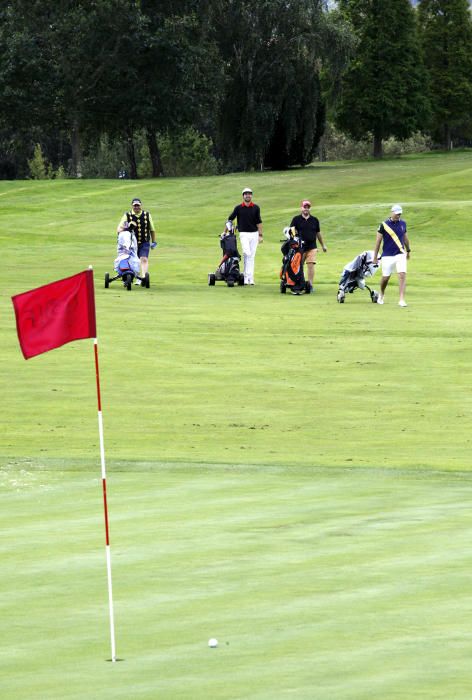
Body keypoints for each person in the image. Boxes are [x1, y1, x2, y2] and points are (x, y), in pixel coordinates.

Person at [373, 204, 411, 307]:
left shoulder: (403, 224)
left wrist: (408, 250)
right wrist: (375, 257)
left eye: (400, 214)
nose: (398, 215)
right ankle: (381, 294)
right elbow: (378, 242)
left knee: (402, 275)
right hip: (387, 255)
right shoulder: (383, 225)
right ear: (392, 212)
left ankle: (402, 300)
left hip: (400, 254)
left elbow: (405, 238)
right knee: (385, 278)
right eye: (397, 213)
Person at [227, 187, 263, 285]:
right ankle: (246, 276)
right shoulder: (238, 208)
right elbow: (230, 219)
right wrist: (226, 231)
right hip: (243, 234)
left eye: (249, 193)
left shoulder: (256, 208)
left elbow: (259, 222)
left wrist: (260, 235)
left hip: (254, 234)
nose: (248, 195)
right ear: (243, 196)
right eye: (246, 194)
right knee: (247, 253)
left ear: (251, 195)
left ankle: (250, 278)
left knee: (251, 256)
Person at [289, 200, 327, 293]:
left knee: (310, 265)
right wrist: (294, 240)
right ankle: (298, 283)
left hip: (312, 247)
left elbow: (318, 233)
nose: (306, 209)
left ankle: (310, 285)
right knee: (298, 266)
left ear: (310, 209)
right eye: (304, 207)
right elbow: (292, 231)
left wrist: (323, 245)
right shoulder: (296, 219)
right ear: (301, 208)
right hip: (300, 247)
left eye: (308, 207)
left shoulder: (315, 220)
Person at [117, 197, 157, 285]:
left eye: (138, 205)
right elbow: (119, 229)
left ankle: (143, 278)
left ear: (141, 206)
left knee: (144, 259)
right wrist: (127, 227)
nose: (136, 207)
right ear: (132, 206)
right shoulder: (127, 216)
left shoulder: (147, 215)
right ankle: (133, 276)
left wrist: (154, 241)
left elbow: (152, 229)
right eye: (135, 206)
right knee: (132, 260)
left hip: (144, 241)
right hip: (131, 243)